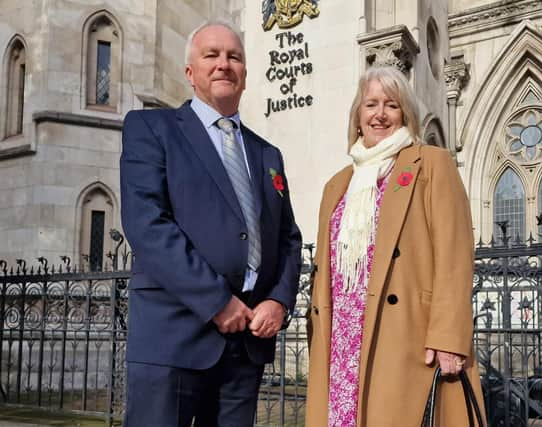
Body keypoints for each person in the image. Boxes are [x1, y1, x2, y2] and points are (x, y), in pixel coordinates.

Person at [120, 20, 302, 427]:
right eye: (212, 55)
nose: (224, 64)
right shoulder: (151, 129)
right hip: (174, 338)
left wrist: (279, 300)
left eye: (234, 57)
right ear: (190, 73)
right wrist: (216, 301)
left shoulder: (267, 153)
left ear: (245, 74)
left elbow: (289, 239)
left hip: (246, 347)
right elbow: (147, 223)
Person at [305, 66, 485, 427]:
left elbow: (454, 253)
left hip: (406, 334)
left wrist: (450, 335)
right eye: (371, 104)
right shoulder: (338, 184)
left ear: (406, 114)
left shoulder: (430, 163)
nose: (380, 114)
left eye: (392, 104)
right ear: (358, 116)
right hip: (343, 334)